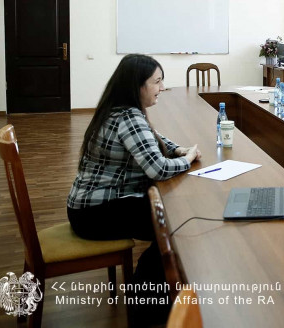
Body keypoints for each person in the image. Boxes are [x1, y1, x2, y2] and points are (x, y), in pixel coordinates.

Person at [66, 54, 201, 322]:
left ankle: (149, 293)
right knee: (176, 225)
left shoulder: (118, 109)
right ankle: (147, 300)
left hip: (88, 207)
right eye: (157, 82)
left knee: (170, 219)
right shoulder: (129, 116)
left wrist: (177, 149)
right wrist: (186, 159)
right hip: (95, 213)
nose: (162, 87)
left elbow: (151, 137)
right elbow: (158, 169)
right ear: (137, 85)